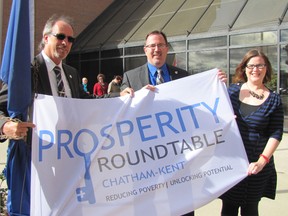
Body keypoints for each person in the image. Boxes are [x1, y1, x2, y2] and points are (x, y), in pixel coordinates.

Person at [120, 30, 227, 216]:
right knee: (145, 203)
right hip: (144, 154)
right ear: (145, 50)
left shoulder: (183, 75)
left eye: (160, 45)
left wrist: (217, 86)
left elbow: (198, 103)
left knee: (183, 199)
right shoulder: (131, 77)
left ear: (167, 48)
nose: (156, 49)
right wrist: (123, 96)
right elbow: (120, 108)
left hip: (178, 152)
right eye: (152, 46)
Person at [0, 14, 94, 215]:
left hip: (68, 163)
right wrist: (6, 126)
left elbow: (86, 103)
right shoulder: (26, 72)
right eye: (60, 36)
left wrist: (120, 97)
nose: (65, 43)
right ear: (45, 38)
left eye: (70, 39)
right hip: (34, 166)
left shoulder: (71, 73)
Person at [220, 49, 284, 216]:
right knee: (228, 208)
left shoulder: (274, 100)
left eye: (260, 65)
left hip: (257, 165)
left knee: (250, 209)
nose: (255, 69)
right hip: (232, 163)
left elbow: (276, 133)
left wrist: (262, 161)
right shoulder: (231, 92)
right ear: (244, 69)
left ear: (266, 69)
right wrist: (216, 84)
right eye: (251, 65)